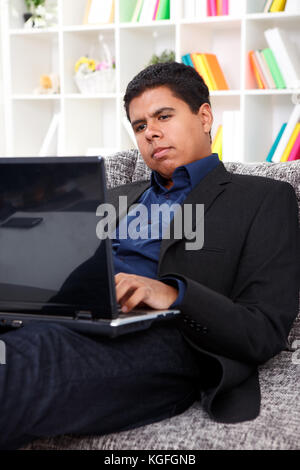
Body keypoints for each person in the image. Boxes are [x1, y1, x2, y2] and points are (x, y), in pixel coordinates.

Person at [0, 62, 299, 450]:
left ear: (204, 117)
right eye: (140, 126)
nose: (151, 132)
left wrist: (173, 294)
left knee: (27, 365)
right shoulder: (117, 197)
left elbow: (264, 329)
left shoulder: (262, 198)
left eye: (163, 116)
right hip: (77, 322)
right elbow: (70, 278)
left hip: (168, 342)